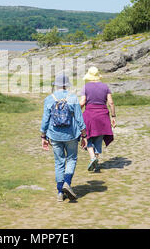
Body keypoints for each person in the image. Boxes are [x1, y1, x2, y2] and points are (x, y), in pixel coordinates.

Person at [41, 73, 88, 202]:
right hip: (72, 135)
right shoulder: (73, 98)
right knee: (71, 159)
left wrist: (43, 136)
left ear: (56, 85)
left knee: (59, 162)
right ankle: (67, 183)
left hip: (54, 135)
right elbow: (79, 119)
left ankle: (59, 192)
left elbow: (45, 120)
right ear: (66, 85)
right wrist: (84, 135)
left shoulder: (49, 99)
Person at [79, 66, 116, 173]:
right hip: (103, 116)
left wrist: (75, 112)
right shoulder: (105, 87)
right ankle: (96, 164)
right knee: (99, 138)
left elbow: (82, 102)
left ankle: (92, 158)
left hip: (90, 115)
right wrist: (113, 116)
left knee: (88, 138)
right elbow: (111, 103)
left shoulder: (85, 87)